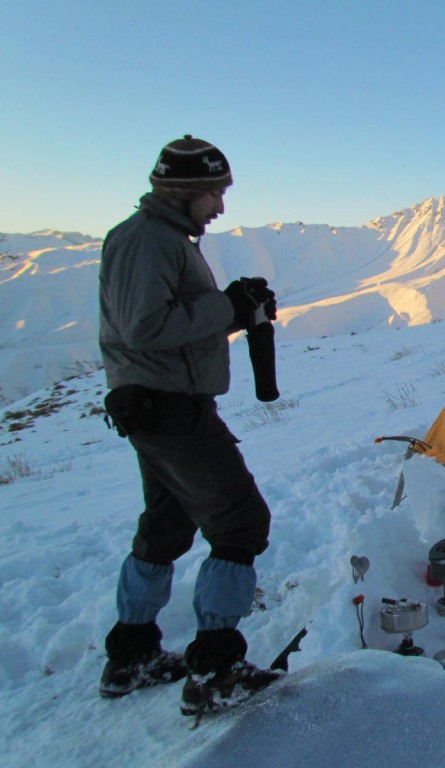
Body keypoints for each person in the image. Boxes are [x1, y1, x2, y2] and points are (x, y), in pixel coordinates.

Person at [97, 135, 282, 715]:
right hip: (170, 409)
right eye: (214, 194)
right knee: (241, 522)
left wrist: (229, 311)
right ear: (183, 191)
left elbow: (168, 329)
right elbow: (145, 327)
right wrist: (227, 307)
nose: (221, 208)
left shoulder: (163, 238)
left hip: (162, 404)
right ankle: (216, 669)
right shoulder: (147, 241)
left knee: (167, 526)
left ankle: (131, 657)